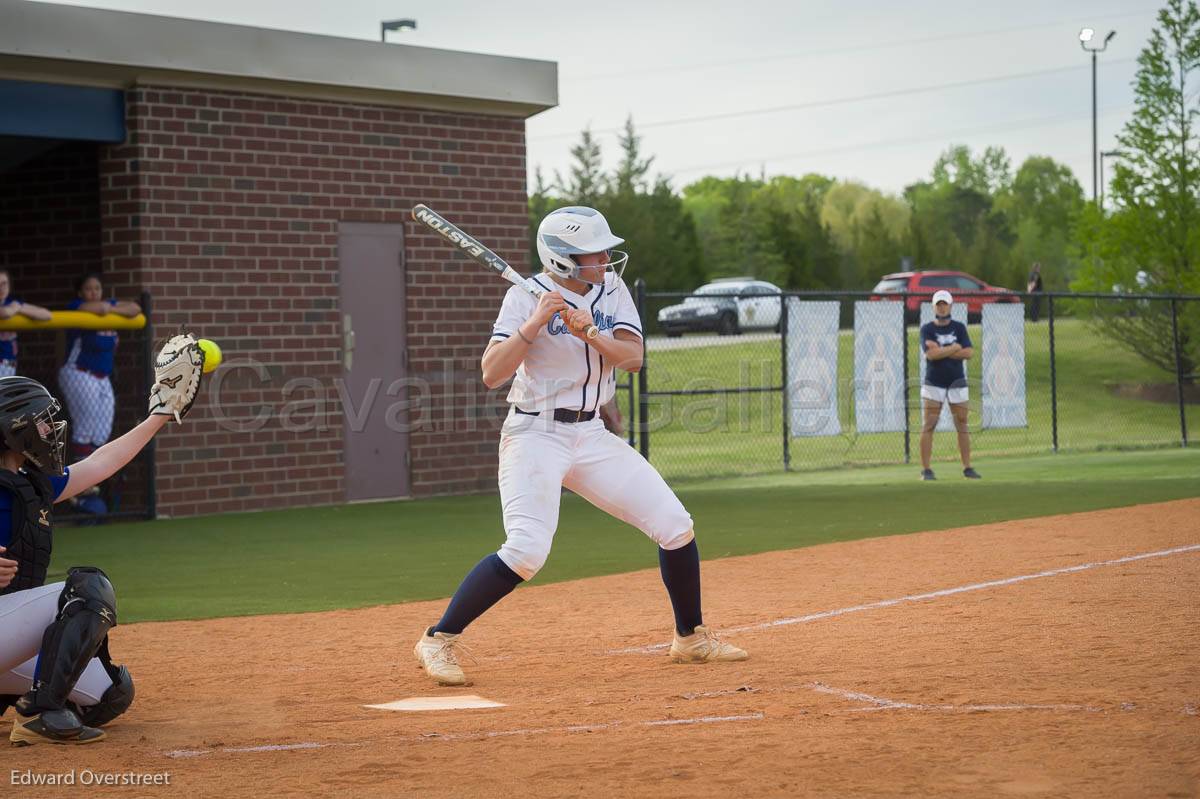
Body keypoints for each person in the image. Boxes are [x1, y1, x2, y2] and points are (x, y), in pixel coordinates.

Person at [413, 206, 747, 686]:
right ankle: (438, 639)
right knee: (527, 551)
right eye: (596, 252)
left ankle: (690, 638)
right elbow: (491, 373)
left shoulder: (612, 289)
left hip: (590, 434)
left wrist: (590, 330)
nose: (607, 258)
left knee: (675, 526)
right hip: (535, 435)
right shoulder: (520, 298)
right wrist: (535, 322)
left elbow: (632, 359)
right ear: (564, 259)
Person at [0, 335, 205, 745]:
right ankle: (41, 715)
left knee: (111, 695)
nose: (50, 429)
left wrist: (160, 414)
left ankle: (33, 701)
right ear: (13, 429)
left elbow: (100, 462)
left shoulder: (28, 483)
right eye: (41, 421)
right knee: (88, 588)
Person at [58, 273, 142, 464]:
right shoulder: (76, 306)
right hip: (79, 372)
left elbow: (135, 308)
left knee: (102, 431)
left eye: (97, 288)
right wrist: (111, 308)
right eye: (89, 288)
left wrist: (110, 308)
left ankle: (93, 478)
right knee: (85, 428)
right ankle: (82, 483)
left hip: (102, 377)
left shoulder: (108, 307)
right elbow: (100, 307)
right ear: (80, 292)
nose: (94, 292)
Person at [919, 290, 980, 481]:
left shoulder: (959, 328)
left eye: (945, 304)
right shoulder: (927, 329)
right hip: (934, 381)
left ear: (951, 306)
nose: (942, 307)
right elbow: (930, 355)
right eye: (938, 304)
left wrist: (942, 350)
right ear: (933, 307)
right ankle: (926, 470)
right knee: (929, 424)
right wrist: (954, 348)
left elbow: (969, 352)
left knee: (962, 423)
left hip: (957, 380)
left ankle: (967, 467)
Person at [0, 270, 53, 377]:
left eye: (4, 283)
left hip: (9, 364)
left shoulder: (12, 304)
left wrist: (19, 308)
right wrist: (15, 308)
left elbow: (47, 315)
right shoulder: (12, 306)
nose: (1, 288)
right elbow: (4, 313)